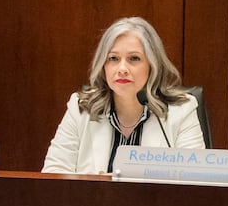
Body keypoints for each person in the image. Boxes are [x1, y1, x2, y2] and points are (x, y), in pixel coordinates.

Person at [42, 17, 204, 174]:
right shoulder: (82, 107)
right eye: (113, 58)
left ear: (153, 65)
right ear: (103, 65)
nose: (122, 68)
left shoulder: (182, 110)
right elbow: (54, 175)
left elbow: (194, 182)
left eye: (134, 58)